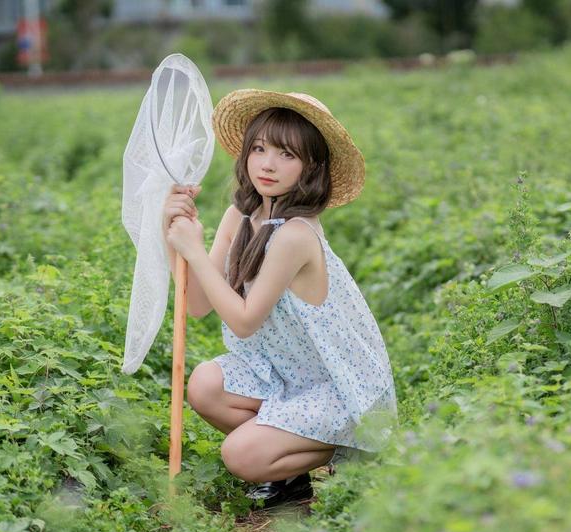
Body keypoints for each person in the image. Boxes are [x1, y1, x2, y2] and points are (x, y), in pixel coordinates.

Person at [163, 89, 397, 508]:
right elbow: (198, 304)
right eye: (259, 148)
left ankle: (357, 449)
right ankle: (289, 477)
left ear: (311, 168)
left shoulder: (295, 234)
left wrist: (195, 250)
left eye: (287, 155)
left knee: (240, 454)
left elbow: (245, 321)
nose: (268, 164)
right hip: (284, 376)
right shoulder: (242, 214)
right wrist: (176, 239)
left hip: (334, 387)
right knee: (204, 384)